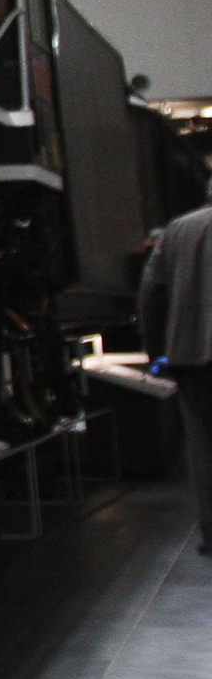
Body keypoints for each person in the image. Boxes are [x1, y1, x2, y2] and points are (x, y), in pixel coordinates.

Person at [138, 195, 212, 556]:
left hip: (191, 354)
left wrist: (157, 353)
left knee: (202, 444)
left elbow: (151, 295)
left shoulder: (178, 230)